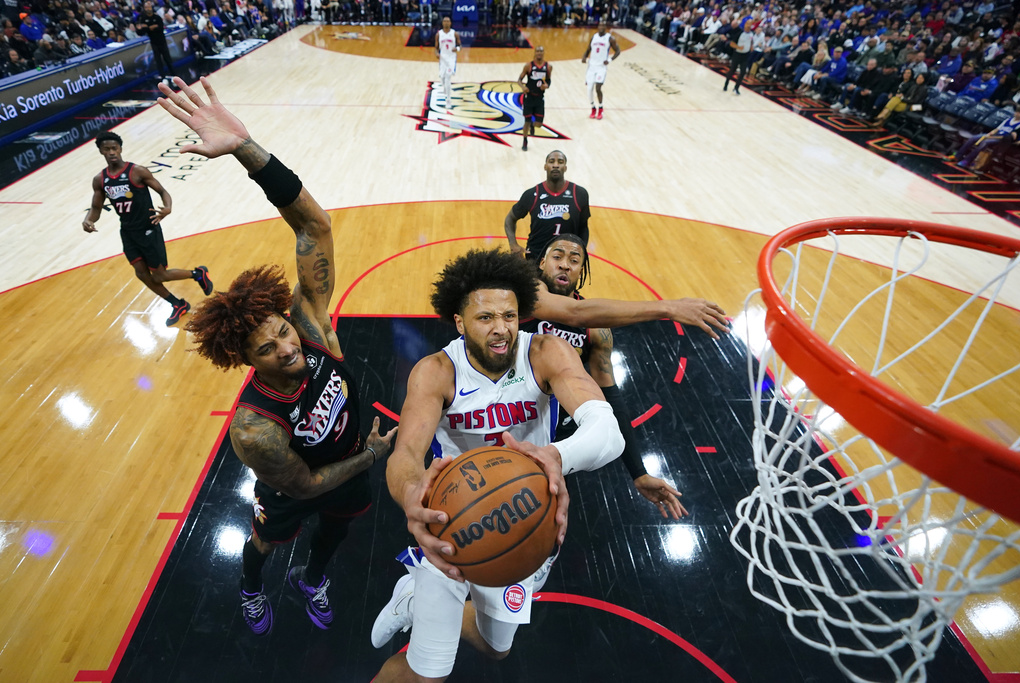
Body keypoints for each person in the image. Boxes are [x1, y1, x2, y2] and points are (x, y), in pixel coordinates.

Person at [155, 76, 398, 635]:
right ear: (245, 359)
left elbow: (315, 224)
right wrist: (369, 456)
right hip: (301, 479)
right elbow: (305, 486)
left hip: (353, 463)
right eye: (268, 348)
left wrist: (246, 149)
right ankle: (250, 587)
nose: (289, 348)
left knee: (336, 532)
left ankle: (313, 579)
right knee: (265, 541)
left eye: (284, 332)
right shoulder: (255, 429)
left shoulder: (310, 326)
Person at [370, 248, 626, 681]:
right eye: (485, 318)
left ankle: (411, 599)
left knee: (496, 648)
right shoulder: (437, 371)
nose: (501, 329)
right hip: (452, 518)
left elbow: (608, 432)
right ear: (459, 321)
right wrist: (413, 495)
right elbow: (406, 456)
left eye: (509, 315)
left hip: (526, 515)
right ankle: (425, 594)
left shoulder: (546, 352)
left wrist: (554, 456)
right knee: (428, 671)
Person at [521, 234, 687, 521]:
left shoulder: (596, 331)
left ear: (582, 271)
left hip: (553, 437)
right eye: (557, 257)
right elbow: (574, 313)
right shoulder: (527, 295)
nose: (565, 266)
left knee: (539, 520)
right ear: (542, 263)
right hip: (504, 417)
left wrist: (638, 472)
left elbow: (610, 398)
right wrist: (667, 307)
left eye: (575, 261)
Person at [82, 132, 213, 326]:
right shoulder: (100, 180)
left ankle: (197, 274)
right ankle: (178, 304)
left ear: (120, 149)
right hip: (127, 231)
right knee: (141, 274)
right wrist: (88, 220)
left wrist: (167, 207)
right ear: (101, 151)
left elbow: (162, 191)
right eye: (107, 149)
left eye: (114, 148)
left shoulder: (137, 172)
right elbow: (96, 208)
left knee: (160, 275)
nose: (111, 152)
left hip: (148, 228)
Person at [504, 150, 589, 262]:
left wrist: (581, 251)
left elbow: (583, 227)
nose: (555, 165)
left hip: (566, 260)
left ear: (565, 167)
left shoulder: (579, 194)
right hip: (536, 256)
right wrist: (513, 244)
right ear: (545, 166)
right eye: (551, 161)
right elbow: (510, 219)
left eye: (560, 162)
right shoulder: (532, 194)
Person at [950, 104, 1020, 170]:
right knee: (973, 138)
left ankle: (967, 160)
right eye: (1016, 112)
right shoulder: (1008, 119)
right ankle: (958, 156)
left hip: (1001, 140)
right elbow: (997, 129)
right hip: (995, 135)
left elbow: (1013, 137)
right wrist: (990, 133)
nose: (1017, 114)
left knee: (984, 142)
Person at [581, 19, 620, 119]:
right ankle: (593, 107)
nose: (601, 27)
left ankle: (601, 108)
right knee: (589, 89)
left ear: (606, 27)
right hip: (591, 66)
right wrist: (584, 56)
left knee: (598, 88)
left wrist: (610, 60)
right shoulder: (594, 37)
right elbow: (588, 48)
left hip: (601, 67)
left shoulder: (610, 38)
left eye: (603, 26)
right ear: (598, 27)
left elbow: (618, 51)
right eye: (600, 25)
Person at [518, 45, 552, 151]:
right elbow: (519, 80)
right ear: (535, 52)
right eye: (537, 51)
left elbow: (549, 80)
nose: (539, 53)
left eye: (541, 51)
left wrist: (547, 85)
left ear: (543, 53)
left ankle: (533, 124)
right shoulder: (528, 66)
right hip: (529, 97)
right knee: (526, 121)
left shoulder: (548, 66)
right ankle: (525, 140)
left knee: (539, 124)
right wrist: (523, 87)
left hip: (539, 98)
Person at [138, 1, 178, 82]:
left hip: (162, 41)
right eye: (146, 7)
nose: (148, 8)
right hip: (154, 42)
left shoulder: (157, 17)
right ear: (144, 9)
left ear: (151, 8)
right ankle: (163, 77)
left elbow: (160, 28)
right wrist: (151, 27)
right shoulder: (143, 19)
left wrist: (148, 27)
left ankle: (174, 75)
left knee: (167, 59)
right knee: (158, 60)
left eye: (149, 7)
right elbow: (142, 31)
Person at [435, 16, 461, 113]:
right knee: (442, 78)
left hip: (451, 58)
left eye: (448, 21)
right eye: (444, 21)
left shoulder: (454, 33)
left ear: (450, 23)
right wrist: (437, 54)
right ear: (442, 23)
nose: (446, 22)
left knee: (447, 78)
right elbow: (436, 48)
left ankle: (448, 100)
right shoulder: (439, 34)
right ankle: (446, 91)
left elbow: (460, 45)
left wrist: (457, 49)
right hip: (443, 58)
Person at [723, 18, 753, 94]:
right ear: (745, 24)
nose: (749, 25)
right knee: (732, 70)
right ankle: (726, 84)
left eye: (750, 24)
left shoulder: (751, 34)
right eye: (748, 23)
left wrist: (751, 47)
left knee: (743, 72)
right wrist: (738, 47)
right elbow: (731, 43)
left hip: (745, 56)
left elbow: (751, 41)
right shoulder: (740, 33)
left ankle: (736, 88)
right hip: (737, 55)